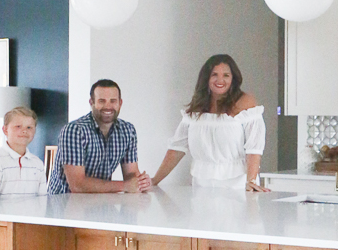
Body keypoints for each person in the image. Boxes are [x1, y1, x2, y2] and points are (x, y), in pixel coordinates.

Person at [150, 54, 267, 192]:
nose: (220, 80)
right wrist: (154, 181)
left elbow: (254, 148)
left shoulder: (246, 104)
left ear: (233, 79)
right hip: (202, 184)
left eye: (226, 75)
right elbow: (176, 149)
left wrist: (251, 181)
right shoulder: (196, 109)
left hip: (237, 185)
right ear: (206, 78)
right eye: (214, 75)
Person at [47, 80, 150, 194]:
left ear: (120, 103)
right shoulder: (74, 130)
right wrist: (125, 186)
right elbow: (77, 185)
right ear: (92, 103)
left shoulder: (128, 130)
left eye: (113, 101)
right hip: (63, 204)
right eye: (102, 101)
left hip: (101, 202)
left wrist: (141, 182)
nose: (108, 106)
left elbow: (131, 173)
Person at [0, 106, 47, 200]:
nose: (24, 131)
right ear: (5, 130)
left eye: (29, 127)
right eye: (18, 126)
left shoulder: (38, 164)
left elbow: (42, 200)